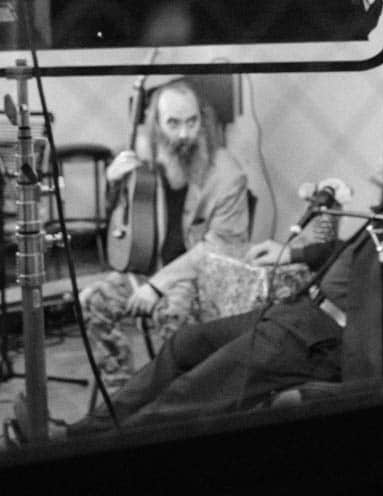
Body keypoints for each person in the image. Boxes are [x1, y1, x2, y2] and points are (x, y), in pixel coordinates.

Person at [68, 81, 383, 434]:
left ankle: (96, 452)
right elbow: (361, 259)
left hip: (321, 335)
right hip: (298, 313)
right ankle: (86, 433)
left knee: (191, 394)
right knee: (184, 346)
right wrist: (293, 252)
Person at [79, 78, 253, 387]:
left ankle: (179, 399)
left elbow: (220, 248)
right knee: (92, 301)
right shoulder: (143, 161)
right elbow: (122, 221)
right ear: (156, 124)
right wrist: (114, 182)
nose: (184, 133)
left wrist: (158, 285)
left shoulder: (228, 174)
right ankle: (119, 393)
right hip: (147, 271)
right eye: (173, 123)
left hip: (194, 278)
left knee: (174, 315)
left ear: (203, 119)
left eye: (192, 122)